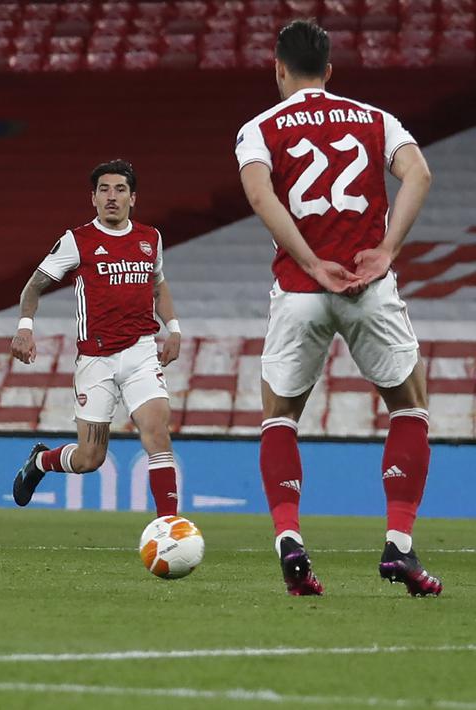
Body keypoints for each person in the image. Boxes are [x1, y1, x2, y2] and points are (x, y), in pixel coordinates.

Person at [235, 20, 440, 596]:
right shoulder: (375, 119)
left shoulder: (258, 129)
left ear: (278, 68)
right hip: (368, 287)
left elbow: (259, 194)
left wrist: (310, 260)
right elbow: (419, 173)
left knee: (280, 415)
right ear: (329, 71)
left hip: (301, 291)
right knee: (410, 405)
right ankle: (399, 546)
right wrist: (386, 251)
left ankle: (289, 542)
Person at [9, 160, 183, 519]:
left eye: (120, 189)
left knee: (157, 432)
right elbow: (34, 285)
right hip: (96, 360)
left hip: (141, 353)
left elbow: (158, 284)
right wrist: (25, 327)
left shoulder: (150, 238)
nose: (112, 197)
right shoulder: (78, 240)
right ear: (93, 198)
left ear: (133, 198)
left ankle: (169, 525)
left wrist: (174, 328)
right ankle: (40, 461)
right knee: (90, 458)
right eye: (104, 190)